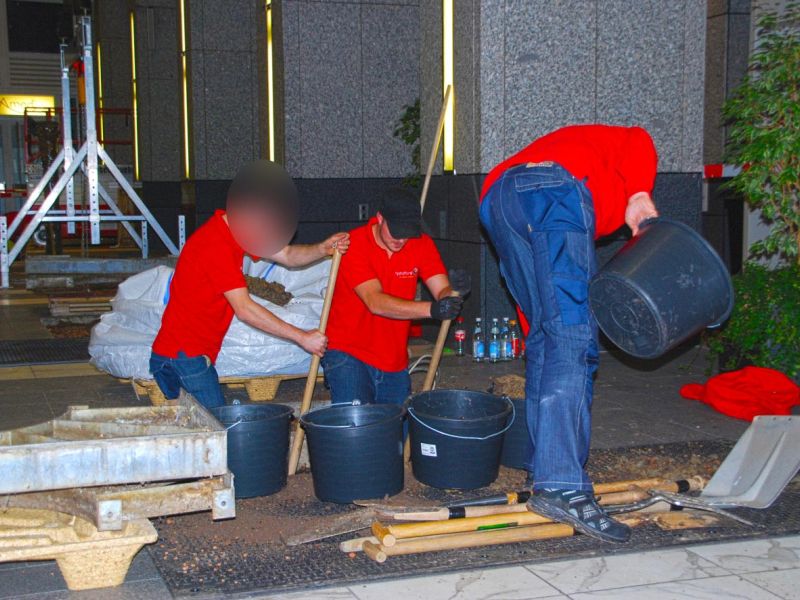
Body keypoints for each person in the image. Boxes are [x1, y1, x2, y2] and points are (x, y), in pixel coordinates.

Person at [479, 124, 659, 543]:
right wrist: (638, 195)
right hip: (553, 191)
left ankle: (546, 470)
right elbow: (639, 136)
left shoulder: (574, 159)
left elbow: (542, 312)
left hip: (498, 198)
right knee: (574, 337)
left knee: (549, 338)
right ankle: (563, 484)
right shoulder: (604, 170)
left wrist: (540, 330)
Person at [150, 160, 350, 410]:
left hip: (185, 354)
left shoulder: (237, 231)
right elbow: (244, 309)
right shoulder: (215, 246)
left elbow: (286, 254)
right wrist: (302, 337)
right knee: (218, 430)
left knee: (201, 428)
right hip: (181, 357)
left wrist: (322, 249)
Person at [323, 190, 469, 407]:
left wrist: (454, 293)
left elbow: (441, 290)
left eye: (407, 233)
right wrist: (432, 309)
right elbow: (375, 302)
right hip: (348, 352)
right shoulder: (353, 245)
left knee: (396, 438)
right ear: (380, 218)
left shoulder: (421, 244)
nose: (401, 240)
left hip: (393, 358)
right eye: (396, 232)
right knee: (356, 430)